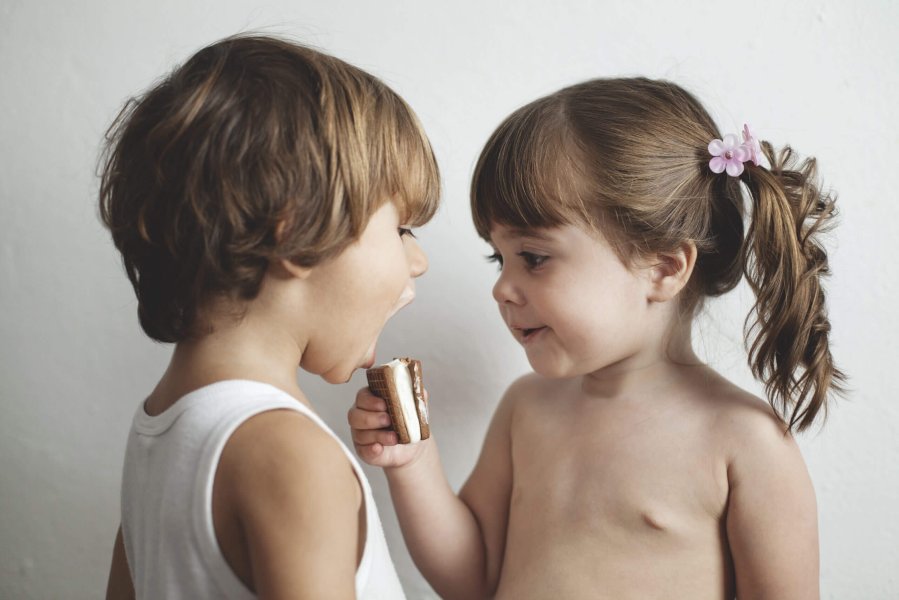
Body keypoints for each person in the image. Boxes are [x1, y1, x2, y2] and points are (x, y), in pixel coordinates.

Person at [349, 77, 842, 599]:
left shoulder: (745, 442)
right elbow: (472, 580)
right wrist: (414, 461)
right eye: (500, 258)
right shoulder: (527, 408)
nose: (502, 288)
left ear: (663, 268)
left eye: (534, 258)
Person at [101, 34, 439, 599]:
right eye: (400, 228)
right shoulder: (292, 457)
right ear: (298, 234)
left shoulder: (158, 434)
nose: (419, 260)